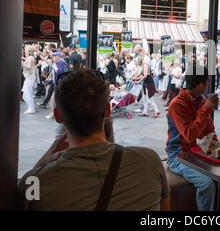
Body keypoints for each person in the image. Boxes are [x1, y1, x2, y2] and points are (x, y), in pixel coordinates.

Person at [17, 70, 170, 210]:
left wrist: (44, 159)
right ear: (108, 110)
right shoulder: (149, 161)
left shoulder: (35, 183)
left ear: (58, 117)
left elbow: (25, 200)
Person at [166, 63, 220, 211]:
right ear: (202, 83)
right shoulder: (176, 104)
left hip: (199, 153)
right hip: (178, 156)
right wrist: (206, 110)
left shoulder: (202, 101)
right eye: (206, 82)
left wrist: (217, 148)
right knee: (206, 184)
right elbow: (189, 136)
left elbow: (209, 130)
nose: (207, 86)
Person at [21, 45, 37, 114]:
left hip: (30, 78)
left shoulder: (30, 58)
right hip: (28, 78)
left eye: (26, 49)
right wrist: (24, 59)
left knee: (27, 94)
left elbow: (29, 67)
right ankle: (30, 108)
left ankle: (31, 109)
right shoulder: (29, 58)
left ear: (29, 51)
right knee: (26, 93)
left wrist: (22, 63)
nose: (25, 51)